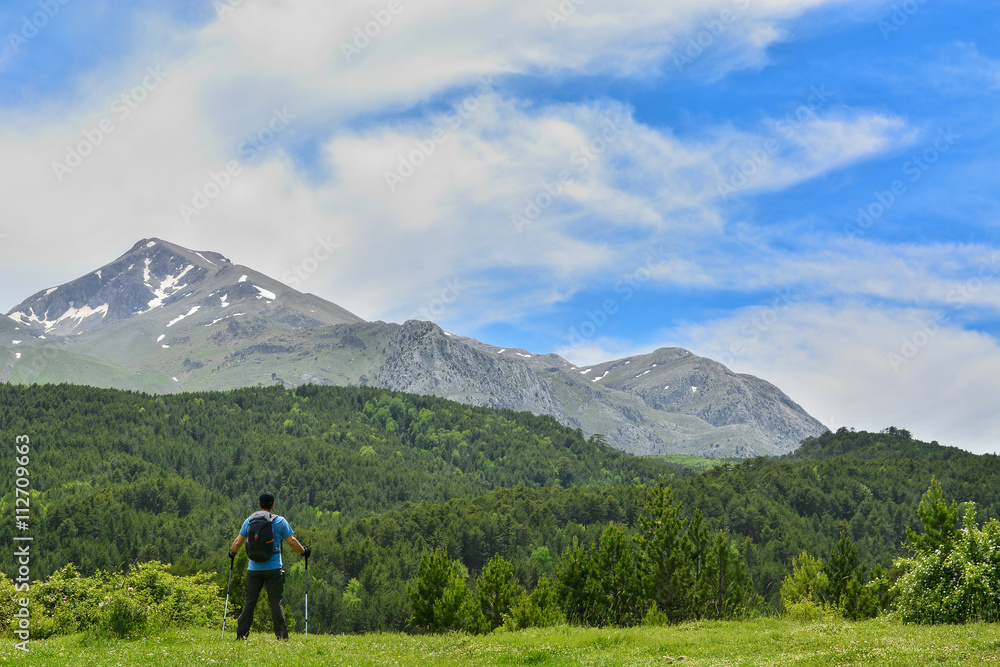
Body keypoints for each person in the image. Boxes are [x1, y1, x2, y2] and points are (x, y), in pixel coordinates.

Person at [229, 491, 310, 640]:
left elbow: (238, 542)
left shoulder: (250, 520)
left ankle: (241, 636)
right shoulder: (280, 521)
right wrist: (304, 551)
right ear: (273, 504)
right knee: (275, 602)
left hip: (253, 569)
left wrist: (232, 553)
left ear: (259, 504)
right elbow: (291, 541)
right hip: (273, 569)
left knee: (250, 602)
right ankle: (281, 636)